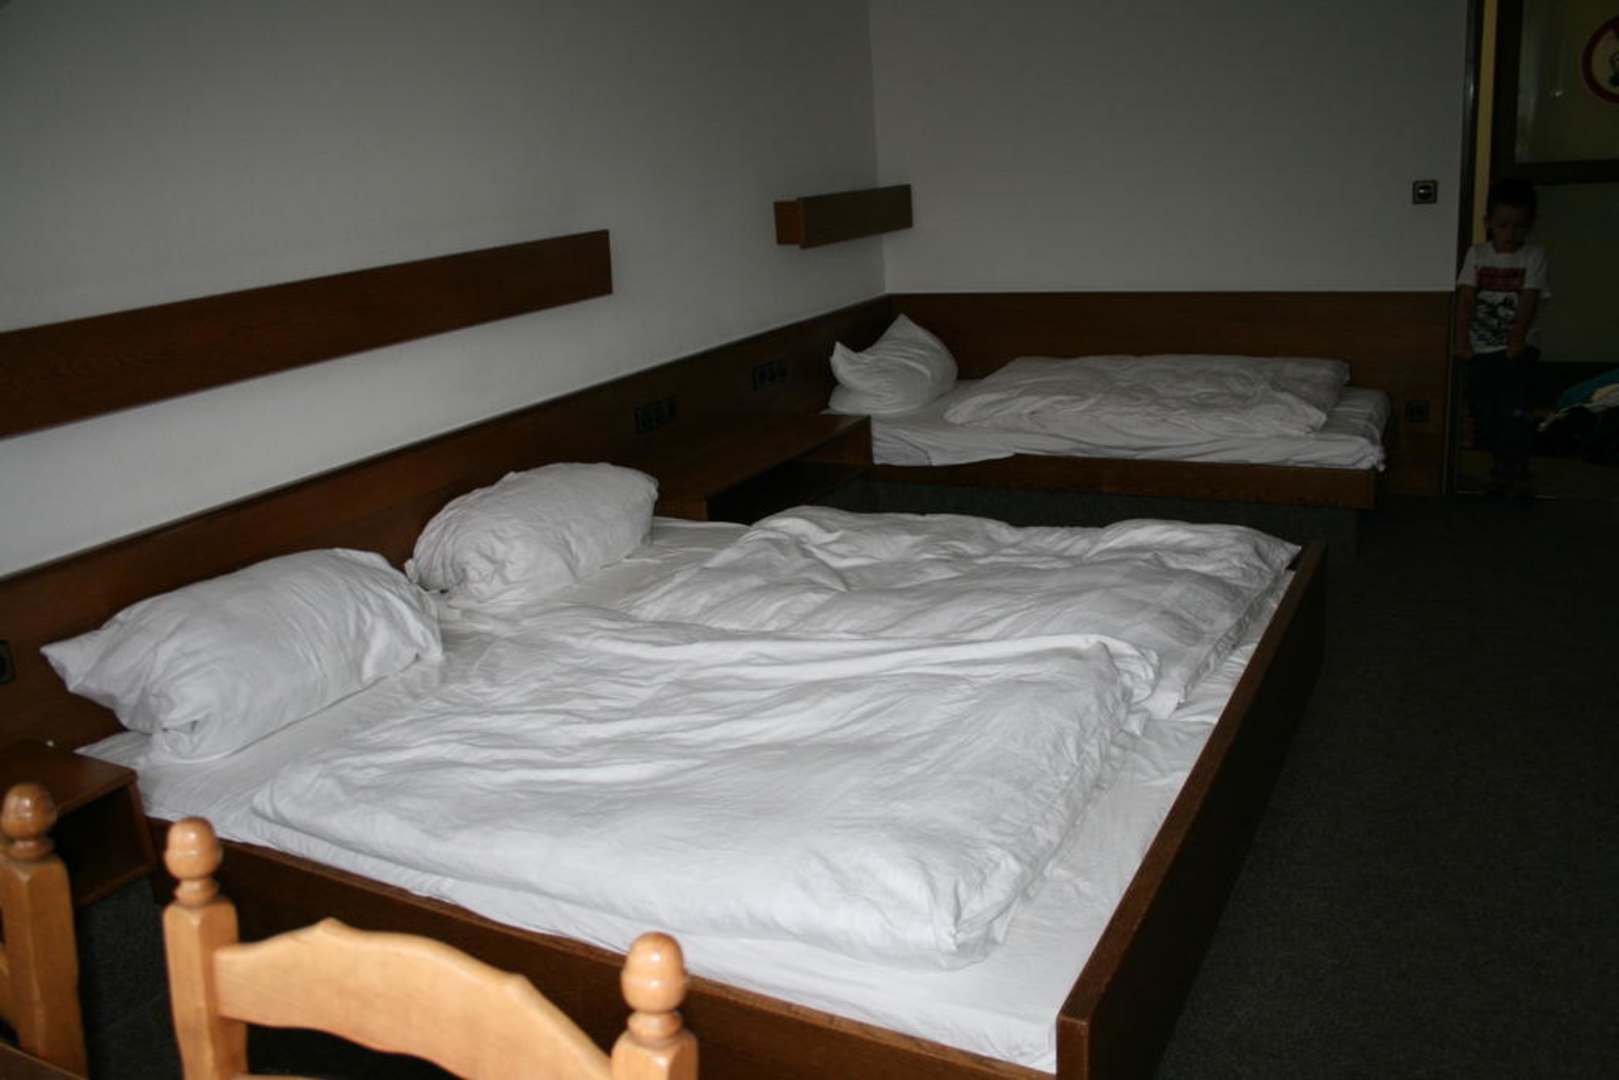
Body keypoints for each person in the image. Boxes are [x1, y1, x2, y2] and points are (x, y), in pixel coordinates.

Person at [1454, 178, 1551, 496]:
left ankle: (1515, 467)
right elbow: (1466, 298)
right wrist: (1462, 339)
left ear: (1530, 226)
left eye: (1519, 226)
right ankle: (1498, 464)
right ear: (1489, 223)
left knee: (1515, 409)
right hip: (1480, 347)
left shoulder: (1533, 256)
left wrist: (1517, 340)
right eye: (1503, 225)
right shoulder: (1478, 253)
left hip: (1518, 348)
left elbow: (1529, 298)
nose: (1510, 233)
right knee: (1484, 408)